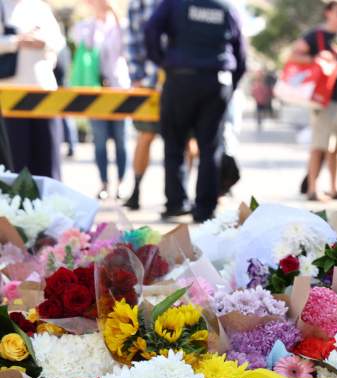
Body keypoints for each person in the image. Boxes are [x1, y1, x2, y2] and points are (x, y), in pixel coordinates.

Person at [145, 0, 246, 222]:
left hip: (180, 77)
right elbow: (241, 53)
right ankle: (205, 209)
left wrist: (162, 60)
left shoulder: (175, 3)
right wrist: (230, 86)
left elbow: (151, 29)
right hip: (216, 80)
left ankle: (176, 203)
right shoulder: (226, 8)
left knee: (174, 144)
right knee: (210, 148)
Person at [293, 0, 337, 201]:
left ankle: (334, 188)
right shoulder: (316, 36)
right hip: (324, 99)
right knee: (320, 145)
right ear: (328, 12)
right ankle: (312, 189)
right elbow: (294, 55)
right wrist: (316, 59)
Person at [72, 0, 131, 200]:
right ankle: (104, 182)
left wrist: (114, 14)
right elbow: (85, 47)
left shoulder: (120, 25)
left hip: (118, 89)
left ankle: (122, 182)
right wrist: (95, 19)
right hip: (96, 90)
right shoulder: (86, 26)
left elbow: (126, 43)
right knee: (100, 141)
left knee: (121, 141)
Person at [0, 0, 65, 179]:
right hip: (10, 97)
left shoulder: (40, 7)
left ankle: (51, 204)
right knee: (15, 165)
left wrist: (42, 42)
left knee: (48, 161)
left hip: (43, 92)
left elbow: (58, 41)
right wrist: (17, 41)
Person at [122, 0, 162, 210]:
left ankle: (181, 195)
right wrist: (136, 75)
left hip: (179, 82)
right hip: (149, 81)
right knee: (145, 136)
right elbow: (131, 39)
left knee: (187, 144)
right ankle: (136, 189)